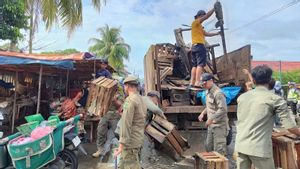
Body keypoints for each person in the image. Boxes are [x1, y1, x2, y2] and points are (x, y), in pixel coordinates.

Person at [235, 65, 300, 169]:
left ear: (254, 80)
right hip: (259, 148)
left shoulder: (242, 98)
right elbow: (290, 127)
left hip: (240, 145)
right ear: (270, 80)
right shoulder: (275, 99)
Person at [114, 76, 146, 169]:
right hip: (138, 139)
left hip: (130, 143)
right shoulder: (141, 99)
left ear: (127, 86)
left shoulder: (130, 100)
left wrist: (121, 145)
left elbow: (126, 123)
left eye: (124, 86)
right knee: (122, 166)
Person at [198, 73, 228, 156]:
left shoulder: (218, 93)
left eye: (204, 84)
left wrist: (210, 119)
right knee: (208, 147)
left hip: (219, 126)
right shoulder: (208, 91)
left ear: (211, 81)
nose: (203, 86)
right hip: (211, 126)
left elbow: (223, 109)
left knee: (219, 151)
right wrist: (202, 113)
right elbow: (210, 106)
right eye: (202, 84)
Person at [189, 7, 220, 88]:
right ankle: (197, 82)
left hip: (194, 47)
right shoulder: (195, 22)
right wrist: (214, 9)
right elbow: (206, 17)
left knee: (195, 65)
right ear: (199, 16)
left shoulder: (198, 27)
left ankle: (191, 83)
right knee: (200, 65)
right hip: (199, 46)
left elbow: (207, 34)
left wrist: (216, 33)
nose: (203, 17)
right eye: (202, 16)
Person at [92, 84, 124, 158]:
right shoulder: (105, 93)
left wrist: (114, 100)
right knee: (100, 131)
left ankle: (123, 148)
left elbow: (120, 105)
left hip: (114, 115)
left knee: (117, 132)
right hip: (105, 114)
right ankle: (100, 149)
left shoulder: (118, 95)